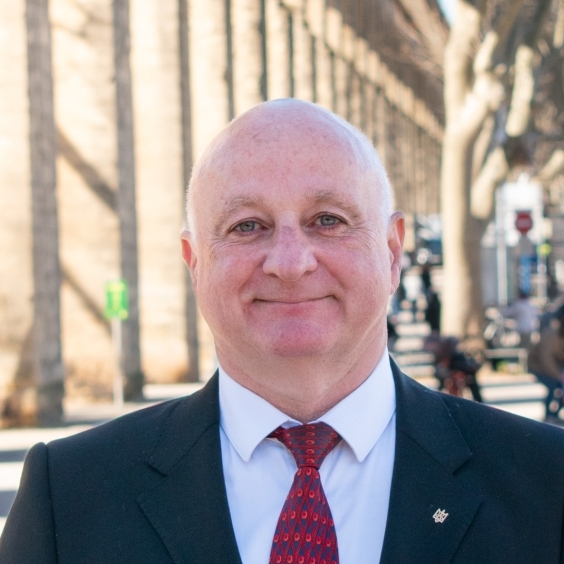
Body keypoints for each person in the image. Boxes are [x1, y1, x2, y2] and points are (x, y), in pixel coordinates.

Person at [2, 100, 564, 564]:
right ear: (195, 264)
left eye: (328, 220)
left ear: (392, 253)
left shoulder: (548, 483)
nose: (290, 263)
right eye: (247, 226)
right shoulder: (69, 498)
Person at [528, 307, 564, 424]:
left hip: (555, 368)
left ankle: (554, 415)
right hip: (538, 367)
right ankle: (548, 415)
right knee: (554, 386)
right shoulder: (550, 334)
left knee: (560, 386)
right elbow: (545, 359)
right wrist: (558, 375)